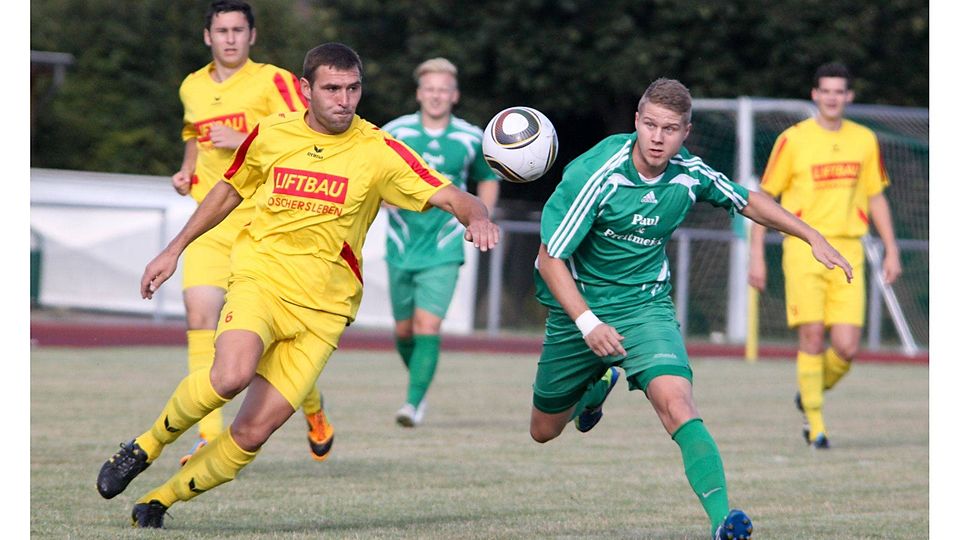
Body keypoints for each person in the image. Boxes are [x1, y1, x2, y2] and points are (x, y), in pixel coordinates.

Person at [96, 42, 499, 528]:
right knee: (230, 375)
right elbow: (228, 189)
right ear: (306, 89)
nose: (344, 100)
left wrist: (478, 217)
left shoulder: (379, 151)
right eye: (332, 88)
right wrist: (173, 249)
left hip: (324, 312)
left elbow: (455, 195)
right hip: (260, 280)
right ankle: (145, 446)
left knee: (252, 432)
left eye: (353, 89)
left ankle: (161, 499)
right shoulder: (272, 133)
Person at [529, 78, 853, 539]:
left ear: (687, 132)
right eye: (651, 126)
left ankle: (723, 520)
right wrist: (587, 322)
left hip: (645, 307)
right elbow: (549, 257)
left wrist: (811, 235)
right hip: (577, 308)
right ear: (636, 123)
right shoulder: (598, 174)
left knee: (677, 403)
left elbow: (748, 200)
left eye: (671, 129)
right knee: (543, 430)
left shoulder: (689, 171)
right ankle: (595, 386)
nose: (659, 138)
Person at [171, 0, 334, 464]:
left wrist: (240, 141)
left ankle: (314, 408)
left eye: (238, 30)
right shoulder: (191, 86)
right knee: (200, 317)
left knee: (269, 340)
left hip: (260, 226)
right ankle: (206, 435)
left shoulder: (274, 81)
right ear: (208, 36)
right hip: (209, 222)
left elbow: (306, 137)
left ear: (252, 36)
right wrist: (186, 171)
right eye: (221, 30)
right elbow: (192, 137)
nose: (229, 38)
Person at [748, 62, 901, 449]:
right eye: (825, 90)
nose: (832, 97)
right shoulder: (793, 140)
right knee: (812, 336)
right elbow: (764, 200)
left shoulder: (865, 140)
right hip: (803, 248)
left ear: (849, 96)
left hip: (849, 248)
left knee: (847, 347)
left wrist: (892, 248)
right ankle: (816, 425)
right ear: (814, 94)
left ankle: (809, 391)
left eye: (840, 91)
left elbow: (876, 196)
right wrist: (757, 255)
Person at [380, 58, 500, 427]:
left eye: (443, 90)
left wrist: (480, 218)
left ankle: (412, 404)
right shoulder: (393, 133)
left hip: (445, 244)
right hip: (401, 241)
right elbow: (372, 175)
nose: (436, 96)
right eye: (429, 89)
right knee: (404, 331)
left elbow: (488, 179)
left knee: (427, 325)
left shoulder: (471, 137)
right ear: (419, 93)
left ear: (455, 95)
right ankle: (421, 384)